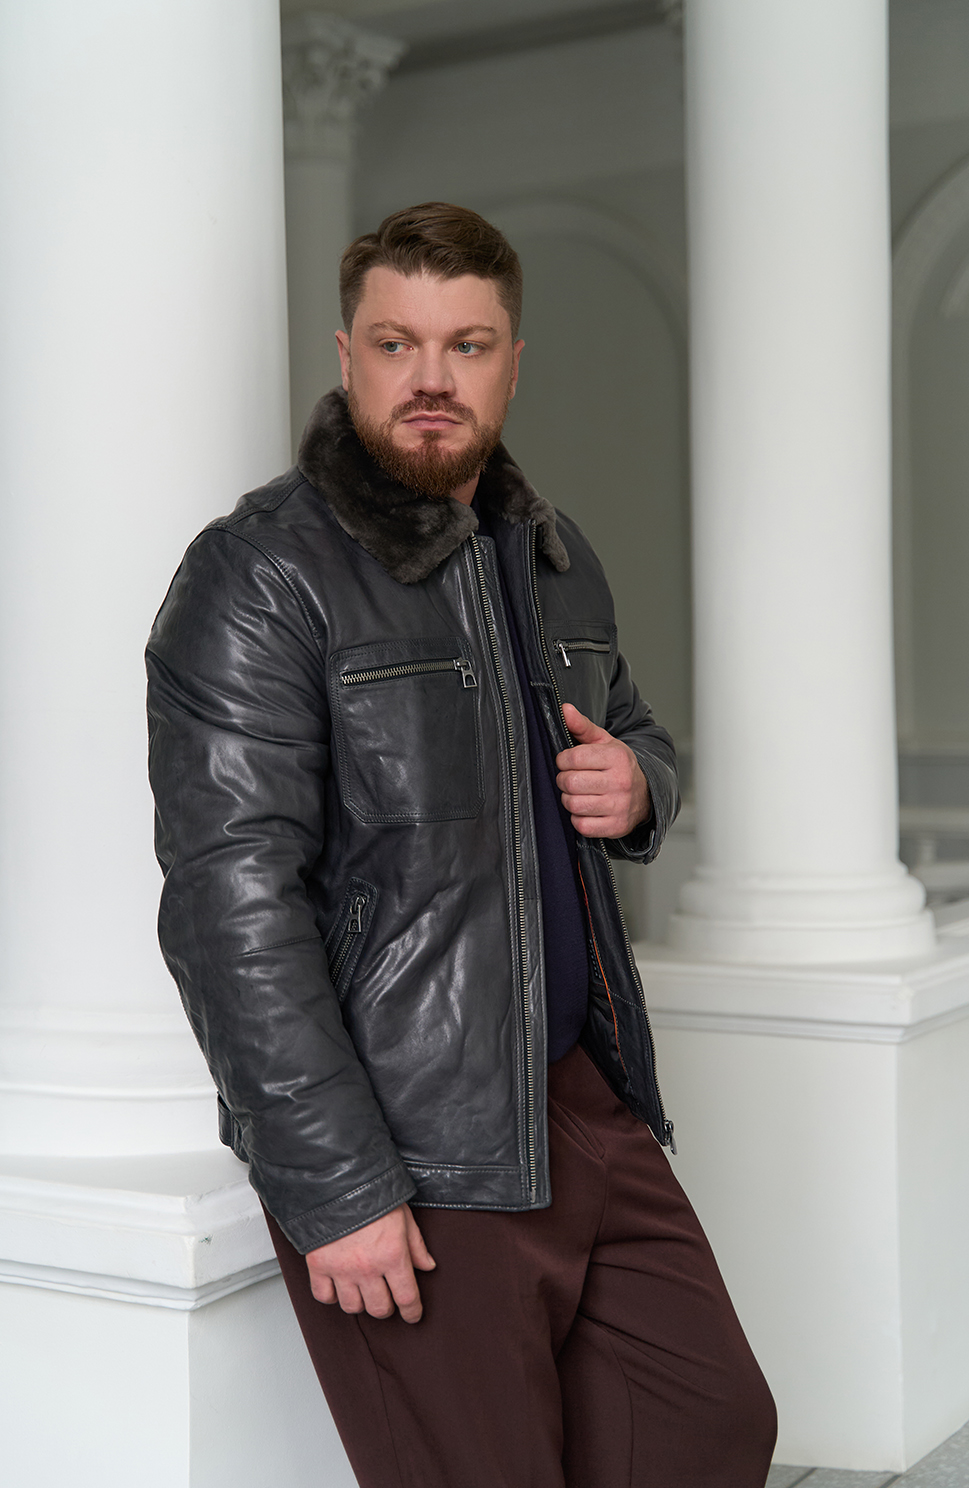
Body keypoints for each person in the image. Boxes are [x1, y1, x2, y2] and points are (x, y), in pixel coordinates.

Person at [147, 202, 776, 1488]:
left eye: (466, 345)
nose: (429, 378)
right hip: (411, 1133)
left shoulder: (550, 553)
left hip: (581, 1096)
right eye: (396, 344)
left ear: (511, 363)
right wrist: (337, 1186)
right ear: (347, 356)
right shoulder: (260, 573)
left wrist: (640, 784)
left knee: (709, 1424)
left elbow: (634, 725)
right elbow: (229, 903)